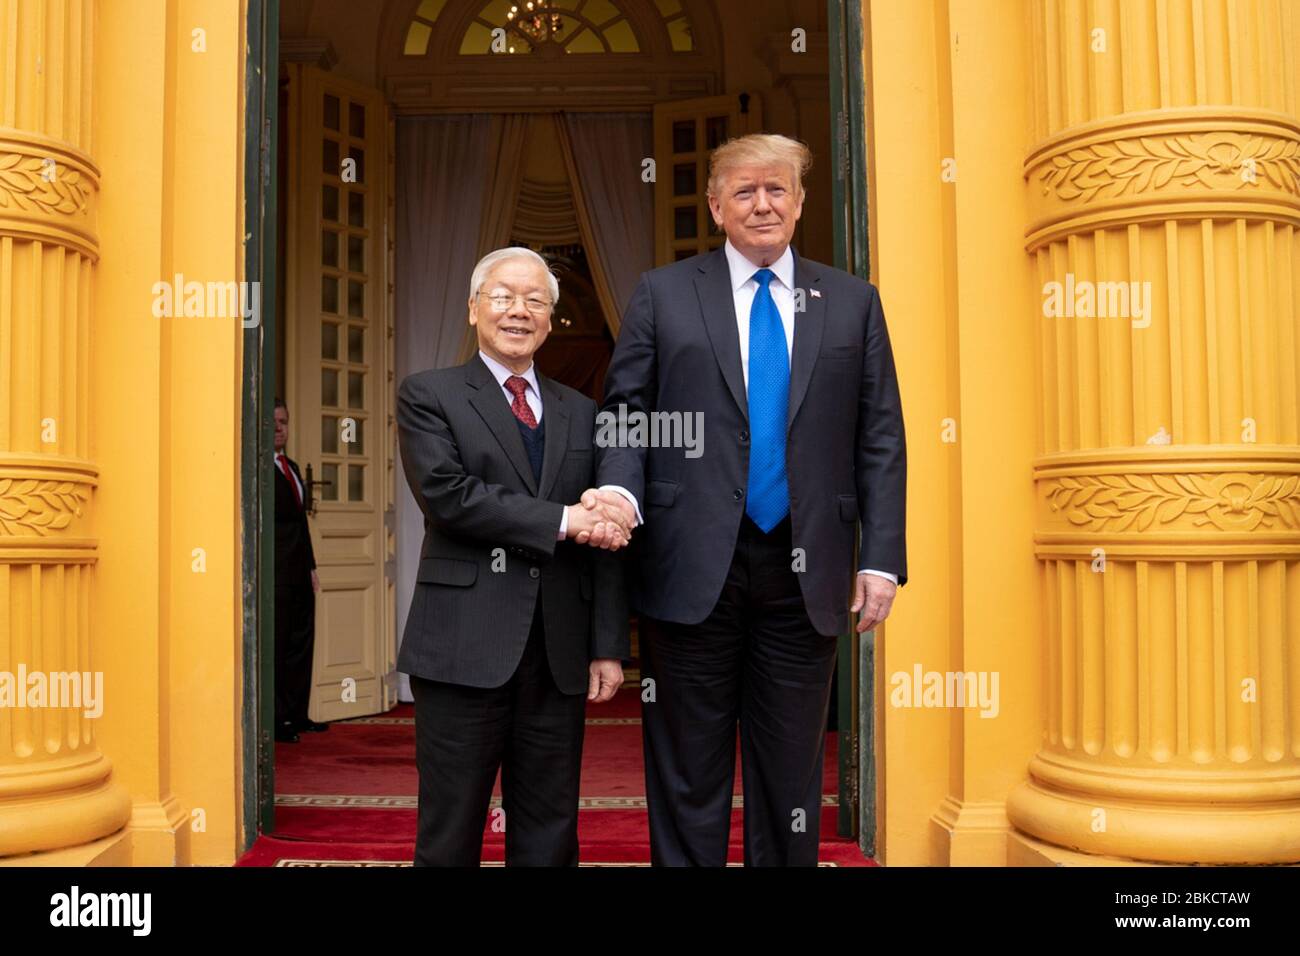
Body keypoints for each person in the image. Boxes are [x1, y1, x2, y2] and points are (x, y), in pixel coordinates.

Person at [588, 133, 908, 866]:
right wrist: (617, 492)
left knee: (791, 772)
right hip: (688, 564)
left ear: (798, 204)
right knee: (686, 769)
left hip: (809, 570)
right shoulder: (661, 293)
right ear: (715, 206)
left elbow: (880, 437)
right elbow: (626, 412)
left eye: (776, 190)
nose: (761, 204)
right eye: (744, 191)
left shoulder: (854, 303)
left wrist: (882, 559)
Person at [396, 247, 632, 866]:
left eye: (535, 301)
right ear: (474, 309)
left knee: (551, 829)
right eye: (503, 297)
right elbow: (450, 498)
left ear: (552, 320)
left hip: (556, 654)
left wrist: (607, 642)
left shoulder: (583, 412)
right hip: (459, 648)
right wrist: (563, 520)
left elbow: (602, 533)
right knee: (450, 831)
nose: (518, 311)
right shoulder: (430, 395)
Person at [273, 399, 328, 743]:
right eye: (273, 422)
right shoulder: (257, 470)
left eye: (284, 422)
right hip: (274, 574)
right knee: (277, 647)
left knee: (301, 644)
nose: (279, 428)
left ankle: (298, 714)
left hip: (299, 572)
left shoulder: (291, 467)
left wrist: (311, 568)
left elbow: (301, 525)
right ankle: (277, 722)